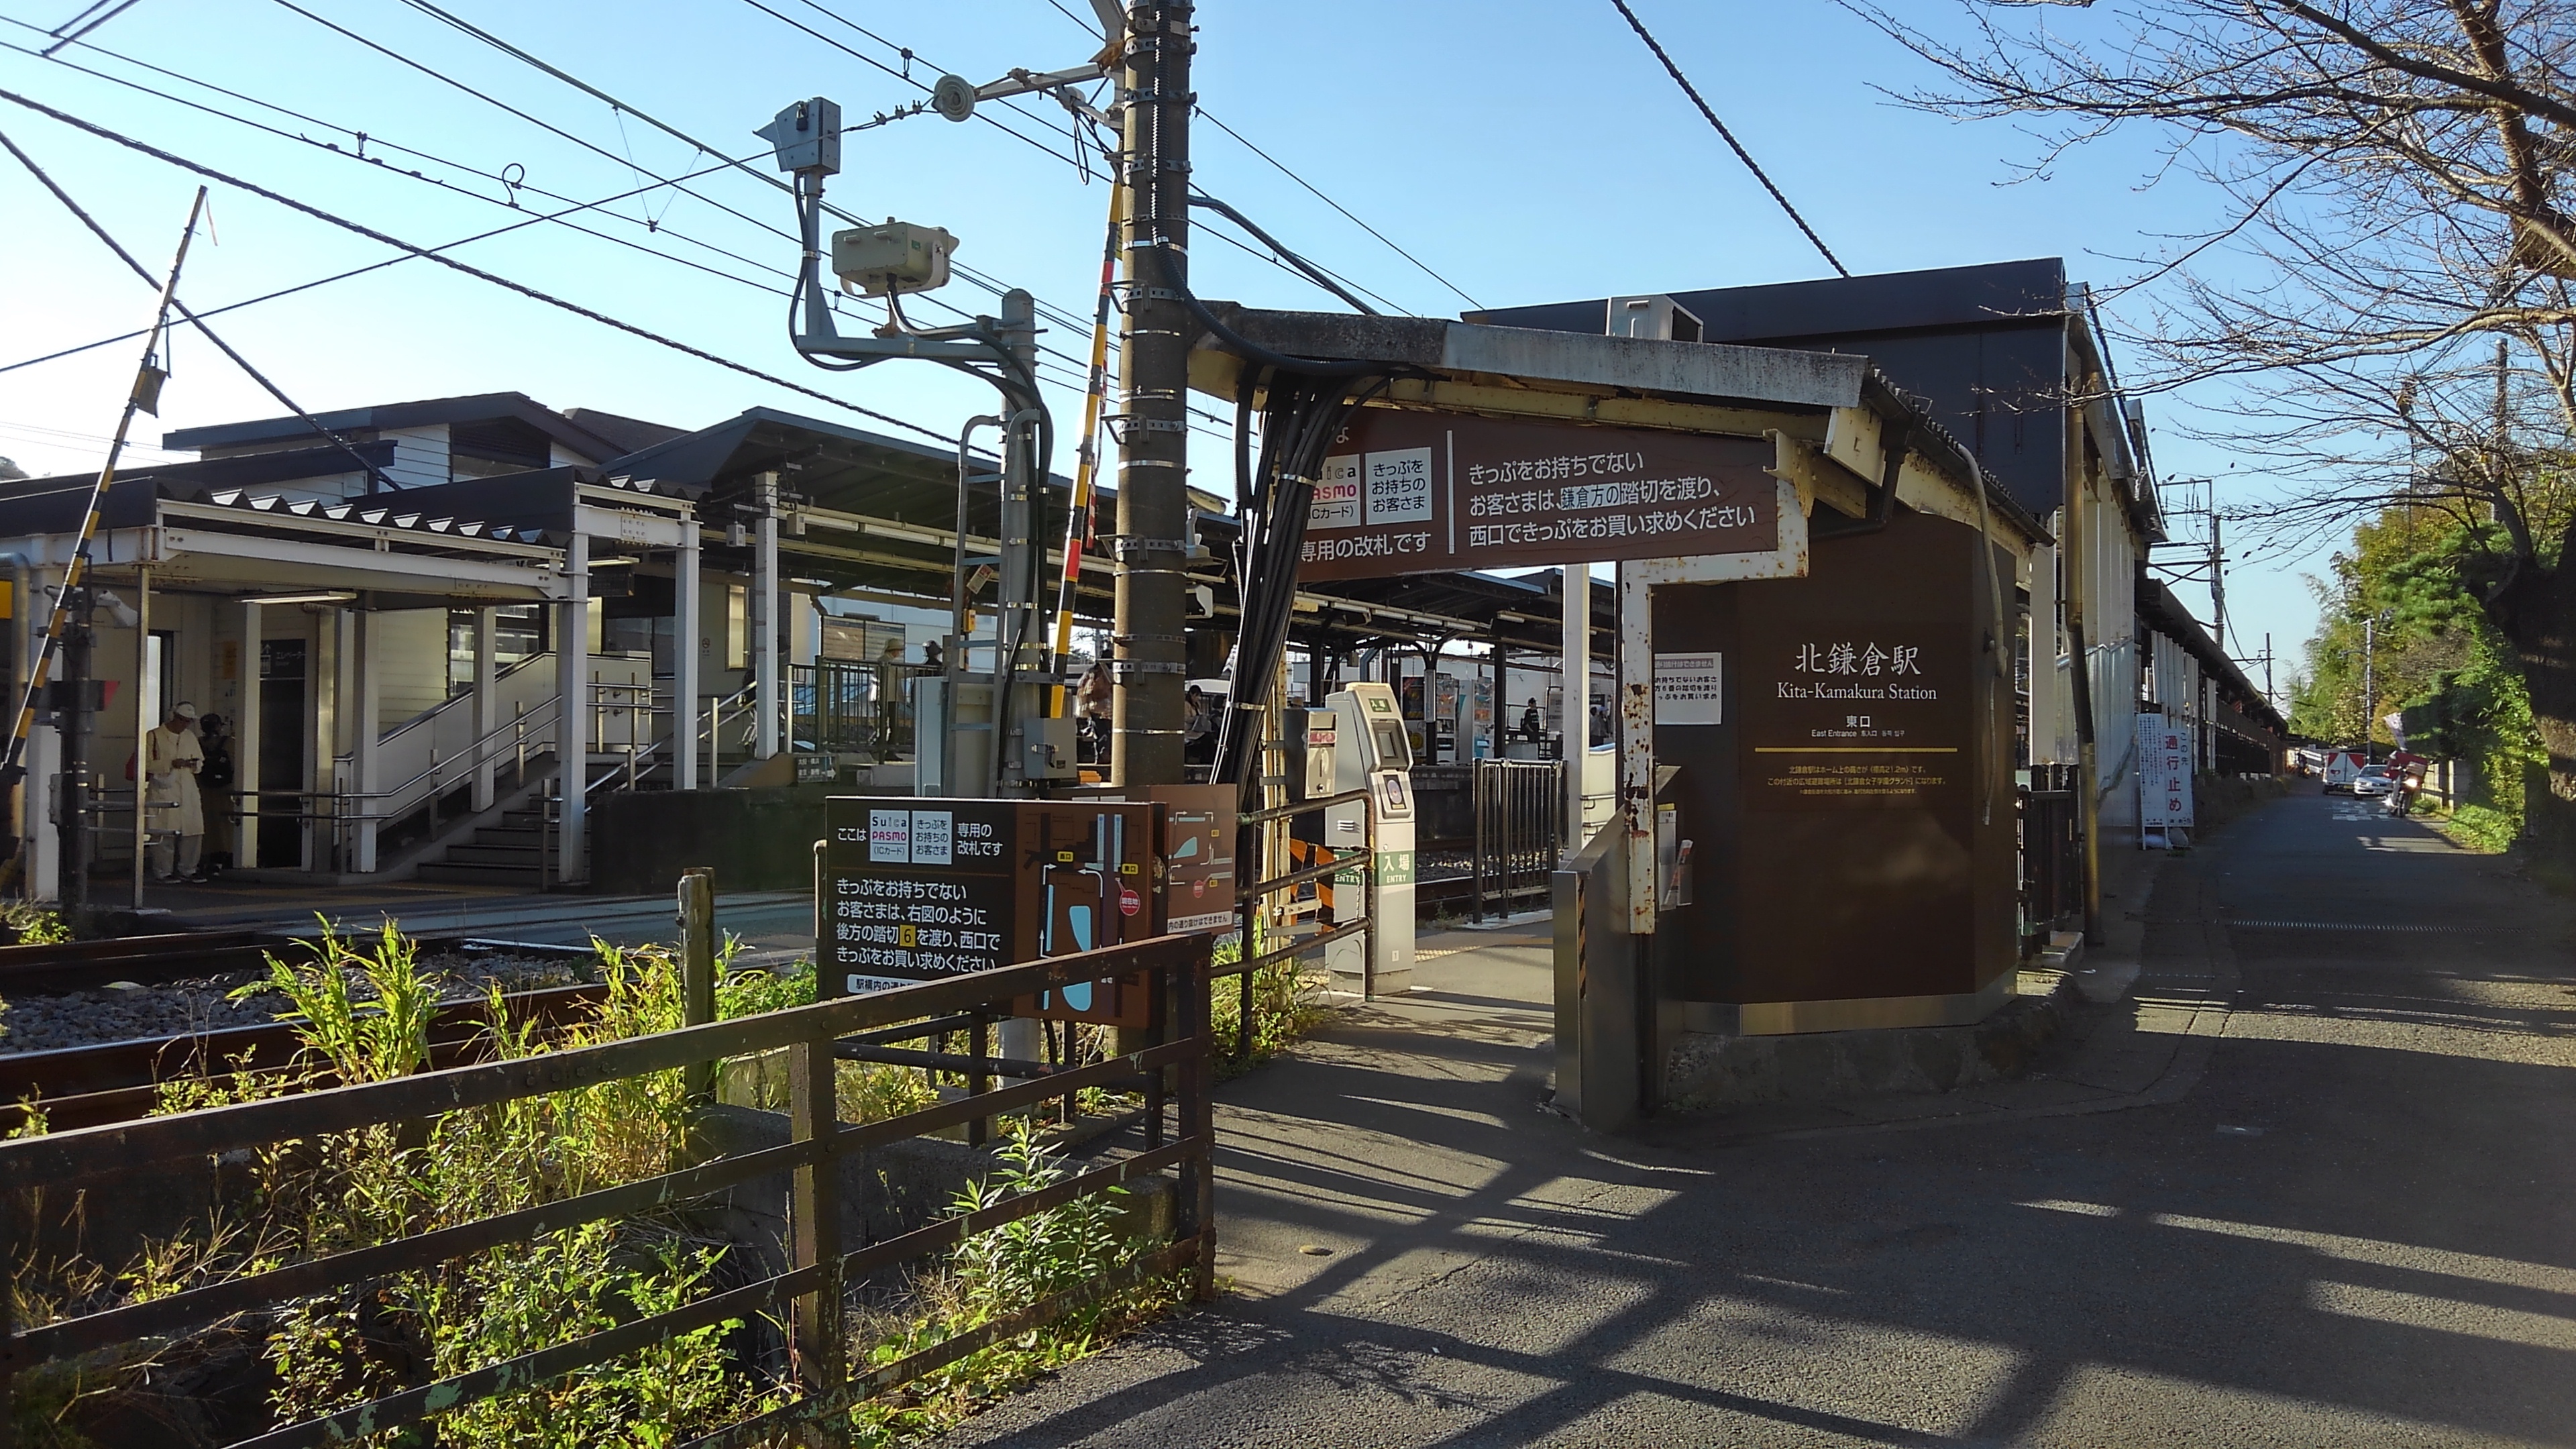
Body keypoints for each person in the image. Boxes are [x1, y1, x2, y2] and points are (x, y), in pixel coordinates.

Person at [144, 701, 207, 883]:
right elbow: (146, 763)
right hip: (164, 787)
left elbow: (200, 762)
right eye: (182, 720)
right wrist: (171, 763)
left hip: (187, 787)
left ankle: (189, 869)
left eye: (188, 721)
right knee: (164, 831)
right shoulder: (154, 736)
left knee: (193, 831)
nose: (185, 724)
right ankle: (163, 871)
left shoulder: (190, 737)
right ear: (174, 717)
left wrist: (193, 764)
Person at [1076, 661, 1112, 763]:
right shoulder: (1111, 671)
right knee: (1109, 733)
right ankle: (1107, 756)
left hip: (1094, 707)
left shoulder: (1091, 671)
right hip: (1110, 708)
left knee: (1099, 733)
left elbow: (1080, 685)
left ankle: (1100, 757)